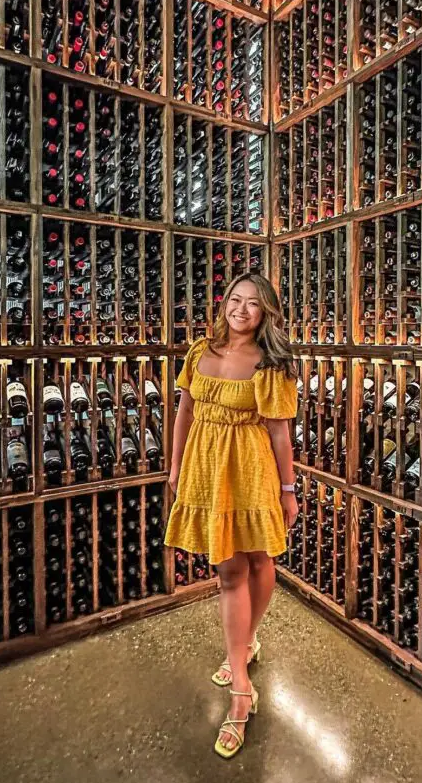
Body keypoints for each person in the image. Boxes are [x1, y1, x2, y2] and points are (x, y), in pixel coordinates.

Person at [164, 273, 298, 759]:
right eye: (235, 300)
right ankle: (242, 677)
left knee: (261, 562)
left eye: (253, 304)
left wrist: (288, 490)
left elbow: (280, 433)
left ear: (266, 313)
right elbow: (184, 412)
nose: (241, 309)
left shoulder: (271, 362)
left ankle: (242, 661)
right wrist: (176, 465)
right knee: (229, 570)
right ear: (224, 305)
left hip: (252, 465)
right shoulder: (200, 351)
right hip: (206, 466)